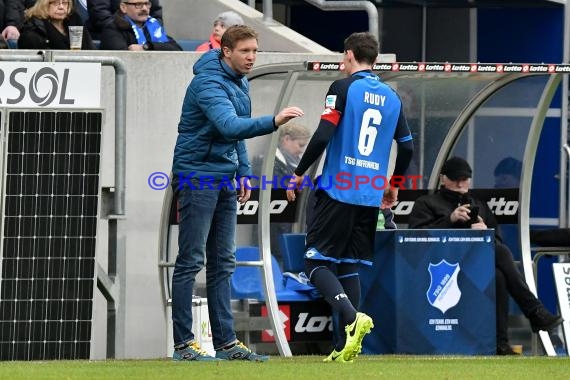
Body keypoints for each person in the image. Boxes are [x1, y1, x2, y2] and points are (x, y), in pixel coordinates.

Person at [170, 25, 304, 361]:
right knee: (191, 261)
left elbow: (234, 137)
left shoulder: (239, 81)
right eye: (245, 51)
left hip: (225, 179)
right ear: (226, 51)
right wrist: (274, 121)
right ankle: (184, 346)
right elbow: (229, 126)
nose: (251, 58)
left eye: (255, 51)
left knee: (224, 263)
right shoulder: (208, 83)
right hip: (198, 178)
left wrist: (243, 171)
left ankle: (226, 345)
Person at [286, 32, 414, 363]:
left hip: (338, 187)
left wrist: (299, 172)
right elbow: (408, 145)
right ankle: (345, 347)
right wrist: (394, 183)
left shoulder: (342, 89)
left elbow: (324, 133)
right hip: (370, 193)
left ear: (349, 56)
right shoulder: (392, 96)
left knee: (314, 262)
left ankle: (353, 317)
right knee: (347, 263)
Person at [408, 156, 564, 355]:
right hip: (440, 269)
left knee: (499, 272)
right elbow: (414, 240)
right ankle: (534, 311)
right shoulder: (427, 203)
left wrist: (483, 234)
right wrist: (450, 220)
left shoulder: (478, 205)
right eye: (456, 178)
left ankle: (501, 344)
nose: (460, 183)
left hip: (473, 268)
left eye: (465, 178)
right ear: (443, 178)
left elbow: (497, 240)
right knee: (501, 253)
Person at [99, 0, 180, 51]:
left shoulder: (153, 27)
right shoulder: (112, 29)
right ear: (123, 7)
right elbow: (122, 58)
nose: (144, 8)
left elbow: (177, 50)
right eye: (138, 4)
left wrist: (147, 47)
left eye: (146, 3)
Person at [18, 0, 95, 50]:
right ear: (44, 5)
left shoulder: (75, 22)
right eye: (55, 3)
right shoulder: (34, 29)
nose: (61, 7)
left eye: (65, 3)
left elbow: (90, 50)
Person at [87, 0, 162, 39]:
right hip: (111, 34)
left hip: (145, 34)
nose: (144, 8)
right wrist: (133, 30)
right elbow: (101, 16)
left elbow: (156, 14)